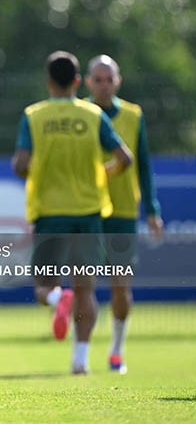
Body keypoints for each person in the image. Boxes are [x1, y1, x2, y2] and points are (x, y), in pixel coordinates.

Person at [12, 51, 133, 374]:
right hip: (88, 211)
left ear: (49, 81)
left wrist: (38, 174)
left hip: (51, 211)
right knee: (85, 287)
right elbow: (126, 158)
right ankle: (80, 360)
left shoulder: (34, 116)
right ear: (79, 81)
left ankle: (55, 301)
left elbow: (21, 165)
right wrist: (100, 173)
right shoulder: (94, 116)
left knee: (43, 285)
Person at [85, 54, 163, 374]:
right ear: (87, 82)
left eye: (109, 79)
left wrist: (152, 210)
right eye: (98, 79)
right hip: (86, 208)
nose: (104, 85)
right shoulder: (80, 114)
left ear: (118, 81)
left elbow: (142, 163)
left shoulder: (133, 115)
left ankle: (116, 350)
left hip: (122, 211)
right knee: (83, 284)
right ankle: (81, 353)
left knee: (120, 285)